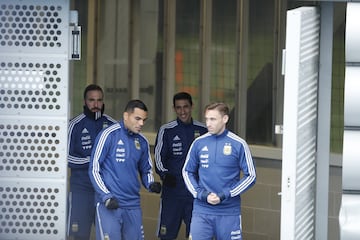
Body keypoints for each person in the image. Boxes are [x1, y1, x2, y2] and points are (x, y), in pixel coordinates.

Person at [88, 99, 162, 240]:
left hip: (133, 205)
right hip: (109, 204)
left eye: (144, 120)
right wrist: (106, 196)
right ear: (126, 116)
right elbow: (94, 168)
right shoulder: (109, 135)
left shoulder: (142, 141)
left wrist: (151, 184)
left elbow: (146, 170)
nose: (141, 123)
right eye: (137, 119)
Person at [182, 102, 256, 240]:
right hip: (202, 211)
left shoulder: (239, 144)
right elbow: (187, 172)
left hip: (229, 212)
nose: (208, 123)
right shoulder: (198, 143)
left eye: (213, 119)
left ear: (225, 119)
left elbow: (251, 176)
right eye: (207, 119)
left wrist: (225, 194)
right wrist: (201, 194)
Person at [154, 92, 207, 240]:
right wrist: (164, 175)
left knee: (197, 236)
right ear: (174, 109)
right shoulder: (166, 130)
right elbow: (158, 158)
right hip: (172, 194)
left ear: (192, 107)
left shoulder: (203, 130)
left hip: (195, 195)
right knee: (166, 236)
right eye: (178, 108)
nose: (182, 111)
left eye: (185, 107)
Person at [67, 84, 117, 240]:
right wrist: (91, 161)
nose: (96, 104)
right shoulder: (74, 125)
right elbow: (65, 157)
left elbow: (119, 159)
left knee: (110, 235)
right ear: (84, 101)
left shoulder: (113, 126)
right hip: (80, 191)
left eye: (99, 100)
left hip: (106, 192)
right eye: (91, 100)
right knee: (78, 236)